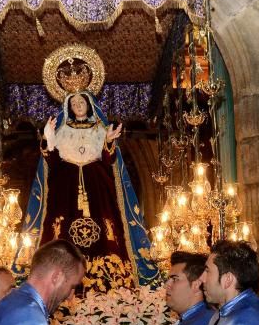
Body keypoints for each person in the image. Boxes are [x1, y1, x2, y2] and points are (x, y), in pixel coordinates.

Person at [22, 90, 158, 289]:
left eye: (81, 101)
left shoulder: (100, 129)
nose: (78, 105)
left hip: (97, 187)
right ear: (69, 107)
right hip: (65, 188)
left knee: (106, 225)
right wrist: (48, 139)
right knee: (60, 227)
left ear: (89, 104)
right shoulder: (60, 130)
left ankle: (109, 276)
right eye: (74, 102)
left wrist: (109, 141)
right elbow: (52, 162)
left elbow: (109, 160)